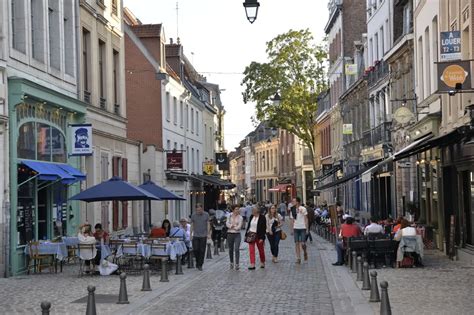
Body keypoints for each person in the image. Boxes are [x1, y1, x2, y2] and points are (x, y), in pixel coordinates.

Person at [191, 204, 211, 271]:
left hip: (203, 235)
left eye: (200, 210)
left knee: (202, 250)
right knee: (196, 249)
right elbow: (192, 224)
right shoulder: (193, 215)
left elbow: (208, 224)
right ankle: (197, 261)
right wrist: (191, 233)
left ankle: (200, 264)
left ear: (202, 209)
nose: (199, 211)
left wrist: (208, 233)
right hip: (196, 235)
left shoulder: (206, 214)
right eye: (197, 210)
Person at [246, 205, 266, 270]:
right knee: (251, 250)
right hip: (251, 234)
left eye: (253, 210)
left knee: (261, 250)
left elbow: (263, 228)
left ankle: (262, 262)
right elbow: (249, 225)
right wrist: (247, 232)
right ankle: (252, 264)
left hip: (259, 235)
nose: (252, 211)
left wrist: (262, 238)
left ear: (257, 210)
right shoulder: (251, 216)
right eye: (252, 210)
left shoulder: (262, 217)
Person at [290, 197, 309, 264]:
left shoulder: (303, 208)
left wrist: (307, 228)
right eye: (292, 201)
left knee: (303, 243)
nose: (292, 202)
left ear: (297, 202)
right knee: (296, 243)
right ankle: (298, 258)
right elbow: (292, 220)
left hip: (302, 228)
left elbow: (306, 219)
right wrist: (292, 229)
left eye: (294, 201)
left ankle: (305, 251)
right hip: (296, 228)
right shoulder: (292, 209)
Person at [226, 205, 243, 270]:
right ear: (233, 210)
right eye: (236, 209)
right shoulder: (229, 215)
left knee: (236, 249)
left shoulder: (240, 217)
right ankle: (231, 262)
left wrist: (233, 227)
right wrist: (232, 226)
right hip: (230, 234)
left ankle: (237, 264)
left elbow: (239, 226)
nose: (237, 210)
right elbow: (227, 224)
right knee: (230, 249)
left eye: (238, 209)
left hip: (237, 235)